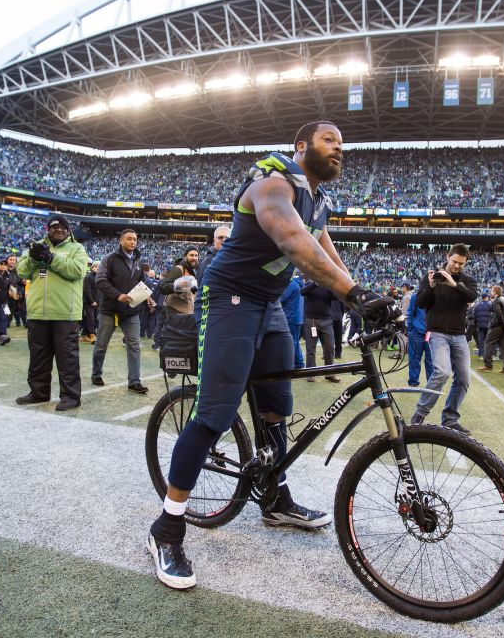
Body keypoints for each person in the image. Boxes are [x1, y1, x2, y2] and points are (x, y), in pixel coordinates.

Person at [147, 121, 391, 591]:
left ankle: (274, 499)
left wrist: (365, 298)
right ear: (301, 147)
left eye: (343, 143)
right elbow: (294, 245)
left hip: (271, 305)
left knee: (278, 409)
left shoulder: (318, 201)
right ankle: (167, 528)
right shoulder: (273, 183)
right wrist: (355, 295)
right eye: (329, 140)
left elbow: (327, 255)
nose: (339, 148)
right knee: (213, 415)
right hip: (231, 299)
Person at [16, 215, 91, 410]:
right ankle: (38, 393)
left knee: (67, 358)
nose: (59, 230)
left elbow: (77, 271)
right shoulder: (35, 247)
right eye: (54, 226)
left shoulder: (77, 249)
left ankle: (71, 397)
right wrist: (34, 258)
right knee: (38, 357)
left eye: (63, 227)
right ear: (48, 229)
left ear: (69, 230)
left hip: (65, 313)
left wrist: (51, 257)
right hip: (38, 312)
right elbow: (21, 272)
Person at [410, 244, 478, 431]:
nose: (456, 266)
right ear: (448, 257)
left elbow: (472, 295)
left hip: (459, 335)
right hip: (437, 332)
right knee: (442, 372)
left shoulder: (467, 280)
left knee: (464, 379)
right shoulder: (432, 276)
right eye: (454, 261)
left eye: (461, 264)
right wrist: (431, 286)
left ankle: (449, 419)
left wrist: (454, 284)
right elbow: (422, 303)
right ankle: (420, 414)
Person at [92, 229, 149, 394]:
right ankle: (96, 374)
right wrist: (118, 295)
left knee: (134, 345)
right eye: (129, 239)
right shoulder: (109, 259)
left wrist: (148, 297)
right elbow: (100, 281)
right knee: (101, 344)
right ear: (121, 241)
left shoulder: (139, 260)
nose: (133, 242)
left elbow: (142, 283)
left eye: (135, 239)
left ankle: (134, 381)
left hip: (131, 311)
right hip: (109, 309)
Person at [299, 278, 341, 382]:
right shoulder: (310, 283)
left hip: (326, 321)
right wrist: (315, 283)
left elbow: (336, 298)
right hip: (311, 320)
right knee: (310, 349)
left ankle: (329, 374)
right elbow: (302, 292)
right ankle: (311, 374)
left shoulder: (328, 286)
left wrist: (329, 285)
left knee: (330, 348)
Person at [477, 284, 504, 374]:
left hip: (497, 326)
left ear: (495, 292)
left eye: (492, 291)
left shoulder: (496, 301)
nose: (491, 292)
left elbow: (498, 313)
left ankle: (488, 365)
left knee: (488, 343)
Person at [404, 286, 435, 387]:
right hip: (417, 332)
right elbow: (410, 312)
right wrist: (410, 329)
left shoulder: (437, 296)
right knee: (414, 358)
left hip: (432, 333)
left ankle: (430, 384)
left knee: (431, 361)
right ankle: (413, 382)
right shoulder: (416, 297)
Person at [279, 271, 305, 369]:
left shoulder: (292, 283)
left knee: (291, 342)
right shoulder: (299, 283)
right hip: (297, 317)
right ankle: (299, 363)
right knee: (295, 341)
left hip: (290, 317)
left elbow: (282, 298)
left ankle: (291, 364)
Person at [81, 261, 100, 341]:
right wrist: (92, 301)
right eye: (96, 266)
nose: (98, 268)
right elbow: (87, 290)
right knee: (90, 318)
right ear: (92, 267)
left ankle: (85, 334)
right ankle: (92, 335)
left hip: (97, 302)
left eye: (99, 266)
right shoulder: (88, 277)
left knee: (95, 318)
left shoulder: (100, 277)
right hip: (89, 302)